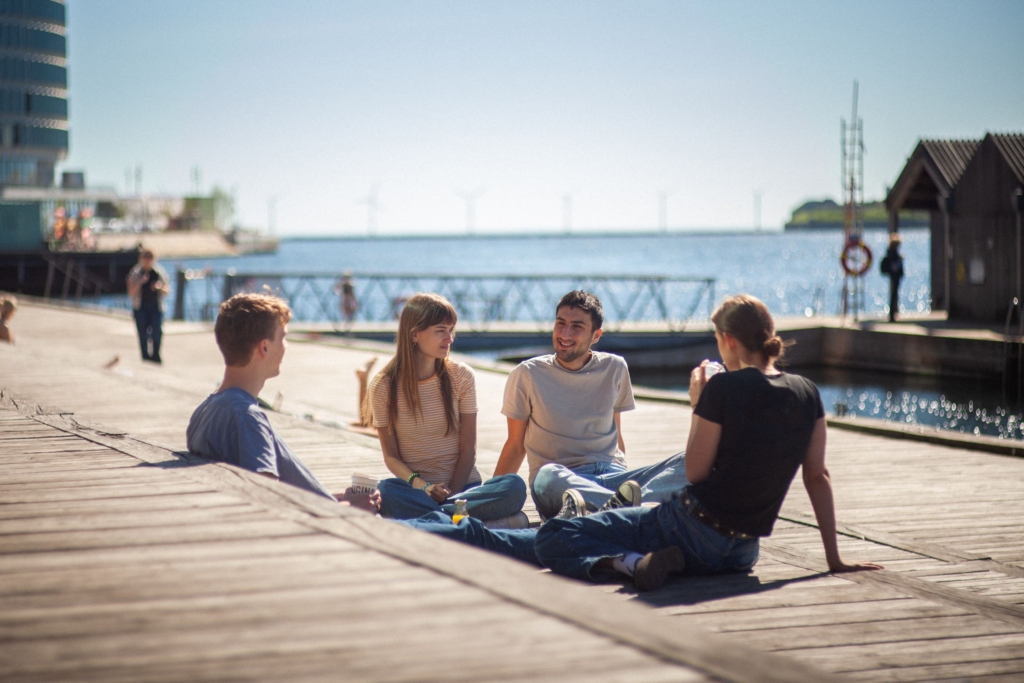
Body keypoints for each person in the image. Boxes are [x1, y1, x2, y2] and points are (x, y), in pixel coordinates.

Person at [534, 294, 883, 591]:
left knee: (554, 535)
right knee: (609, 524)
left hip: (689, 530)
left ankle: (629, 561)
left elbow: (697, 472)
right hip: (744, 553)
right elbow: (817, 477)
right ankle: (642, 547)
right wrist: (834, 558)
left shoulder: (722, 389)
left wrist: (699, 405)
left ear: (728, 340)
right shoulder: (808, 391)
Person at [186, 292, 539, 565]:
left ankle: (460, 521)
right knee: (486, 538)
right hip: (344, 530)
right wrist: (344, 511)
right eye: (284, 337)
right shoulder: (246, 417)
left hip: (345, 515)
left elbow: (272, 493)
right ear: (264, 347)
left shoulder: (208, 410)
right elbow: (269, 502)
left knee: (501, 492)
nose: (287, 346)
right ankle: (553, 535)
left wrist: (342, 499)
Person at [493, 290, 687, 519]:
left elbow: (616, 435)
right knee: (547, 475)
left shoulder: (614, 367)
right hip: (561, 483)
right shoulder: (527, 374)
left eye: (577, 326)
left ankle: (618, 506)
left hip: (613, 476)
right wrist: (490, 498)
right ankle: (632, 511)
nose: (565, 333)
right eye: (560, 323)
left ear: (596, 336)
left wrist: (623, 475)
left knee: (686, 462)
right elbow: (515, 445)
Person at [370, 293, 527, 526]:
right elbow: (391, 457)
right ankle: (463, 523)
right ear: (414, 334)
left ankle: (438, 520)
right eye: (440, 330)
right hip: (416, 490)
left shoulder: (461, 376)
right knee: (386, 490)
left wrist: (452, 493)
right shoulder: (384, 386)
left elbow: (468, 450)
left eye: (451, 330)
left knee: (514, 487)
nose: (450, 339)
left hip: (464, 488)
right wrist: (424, 486)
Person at [126, 249, 168, 363]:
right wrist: (140, 282)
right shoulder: (135, 272)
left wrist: (159, 288)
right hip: (141, 306)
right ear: (141, 259)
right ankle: (145, 356)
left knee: (157, 331)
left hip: (156, 306)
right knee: (142, 333)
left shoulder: (159, 272)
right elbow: (131, 293)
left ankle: (156, 355)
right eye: (146, 258)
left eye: (150, 258)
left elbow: (166, 290)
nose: (148, 261)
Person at [880, 233, 904, 322]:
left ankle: (892, 314)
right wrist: (899, 260)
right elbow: (894, 266)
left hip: (893, 275)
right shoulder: (893, 254)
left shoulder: (890, 253)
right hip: (895, 276)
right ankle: (892, 315)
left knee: (893, 294)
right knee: (894, 295)